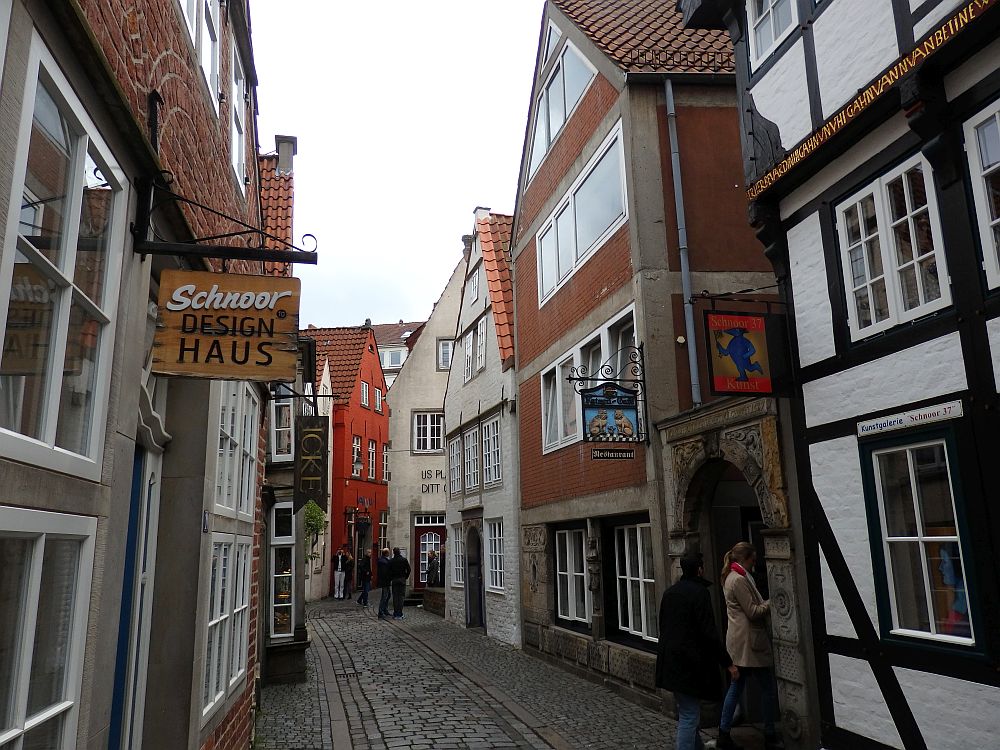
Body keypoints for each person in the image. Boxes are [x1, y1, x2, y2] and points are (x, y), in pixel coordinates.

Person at [656, 552, 737, 750]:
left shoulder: (670, 592)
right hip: (689, 665)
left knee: (687, 711)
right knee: (689, 715)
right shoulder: (700, 593)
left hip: (671, 662)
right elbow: (709, 632)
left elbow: (663, 627)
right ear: (699, 569)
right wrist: (727, 663)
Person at [718, 542, 783, 750]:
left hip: (742, 643)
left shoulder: (736, 576)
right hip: (749, 643)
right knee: (766, 689)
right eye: (753, 560)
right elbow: (753, 611)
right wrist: (772, 602)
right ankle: (769, 733)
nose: (755, 563)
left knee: (738, 688)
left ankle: (724, 733)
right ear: (744, 559)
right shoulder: (737, 580)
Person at [388, 547, 411, 619]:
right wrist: (405, 577)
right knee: (401, 597)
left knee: (395, 596)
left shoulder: (391, 561)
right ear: (399, 552)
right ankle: (400, 613)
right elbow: (409, 569)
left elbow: (389, 571)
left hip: (394, 579)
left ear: (394, 553)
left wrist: (391, 577)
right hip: (402, 579)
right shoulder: (404, 560)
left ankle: (395, 613)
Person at [377, 547, 392, 619]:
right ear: (386, 553)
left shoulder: (384, 560)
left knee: (388, 595)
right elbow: (384, 573)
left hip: (386, 581)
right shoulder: (383, 561)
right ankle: (381, 612)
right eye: (388, 552)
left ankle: (385, 610)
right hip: (385, 581)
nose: (389, 553)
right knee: (384, 596)